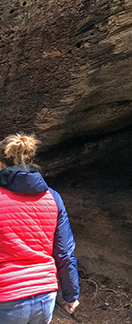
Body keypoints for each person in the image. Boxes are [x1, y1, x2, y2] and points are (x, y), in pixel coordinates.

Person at [0, 134, 79, 323]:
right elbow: (65, 253)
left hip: (6, 295)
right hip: (45, 295)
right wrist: (71, 295)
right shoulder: (53, 197)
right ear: (31, 161)